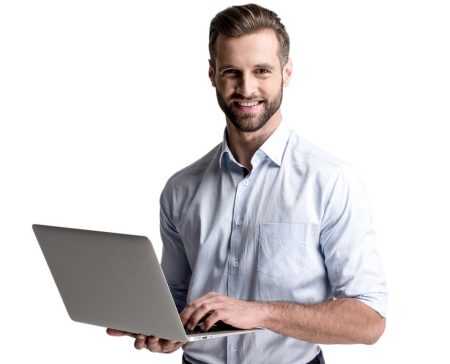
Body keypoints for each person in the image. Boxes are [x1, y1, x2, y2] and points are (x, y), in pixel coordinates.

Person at [107, 3, 387, 363]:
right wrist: (166, 330)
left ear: (287, 72)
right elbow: (177, 298)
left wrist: (260, 312)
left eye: (262, 71)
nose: (246, 88)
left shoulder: (331, 182)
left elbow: (369, 322)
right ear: (212, 74)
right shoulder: (180, 189)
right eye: (231, 72)